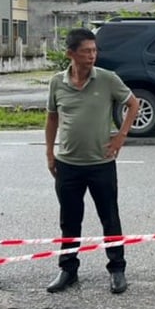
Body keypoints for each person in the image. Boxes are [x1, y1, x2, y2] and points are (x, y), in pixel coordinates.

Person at [44, 27, 139, 294]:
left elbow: (133, 104)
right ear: (70, 53)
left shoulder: (108, 79)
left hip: (101, 163)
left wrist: (121, 136)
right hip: (68, 164)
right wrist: (50, 153)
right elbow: (52, 118)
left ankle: (117, 269)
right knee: (69, 219)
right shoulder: (57, 82)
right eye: (86, 51)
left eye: (94, 50)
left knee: (109, 217)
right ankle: (68, 269)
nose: (92, 56)